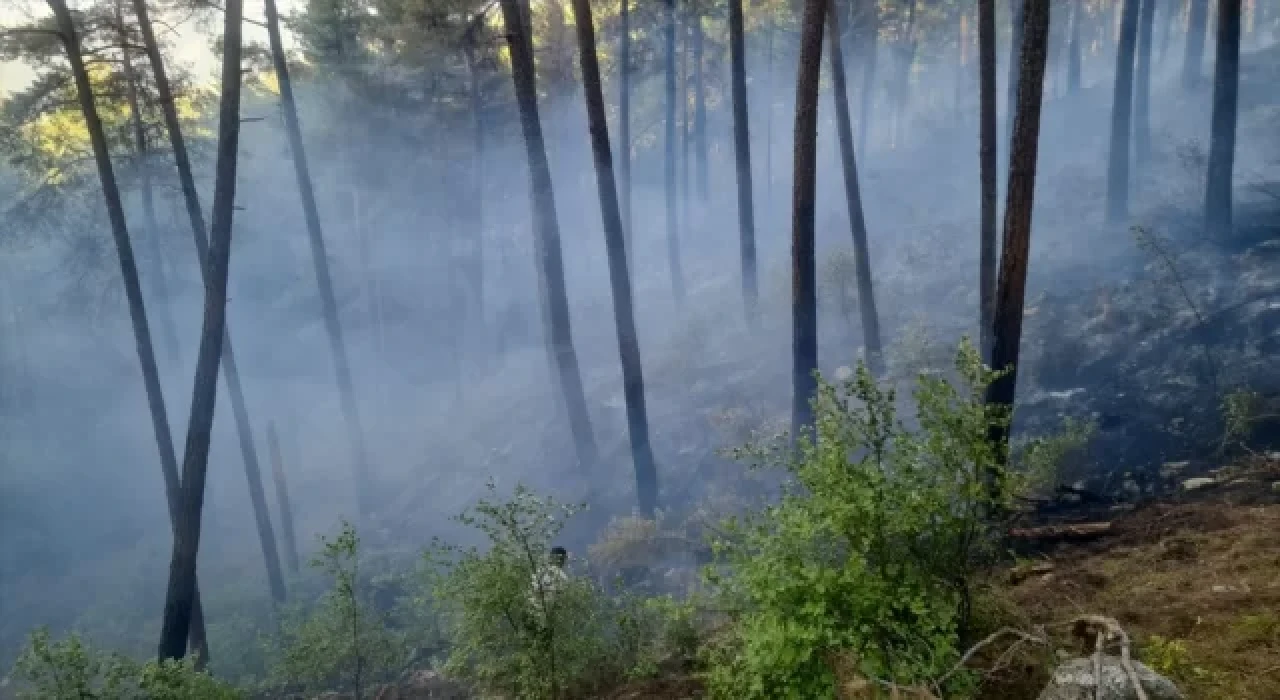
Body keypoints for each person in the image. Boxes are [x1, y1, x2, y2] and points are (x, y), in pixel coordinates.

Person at [528, 546, 570, 617]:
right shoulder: (562, 577)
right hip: (547, 614)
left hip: (531, 611)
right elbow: (561, 599)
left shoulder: (538, 572)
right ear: (562, 560)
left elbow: (531, 591)